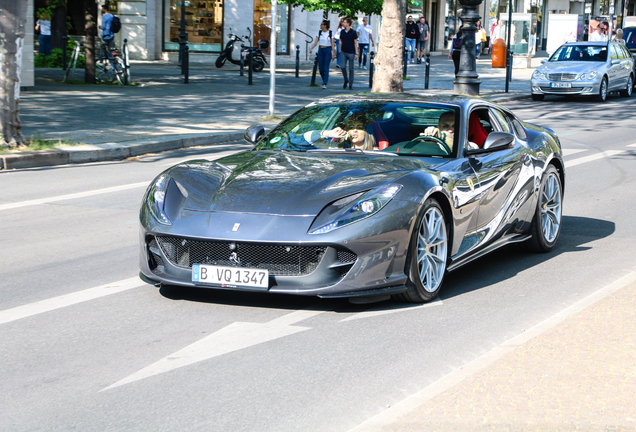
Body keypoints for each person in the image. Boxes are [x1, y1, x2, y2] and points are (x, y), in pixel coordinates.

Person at [304, 124, 377, 150]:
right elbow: (307, 137)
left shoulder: (377, 152)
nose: (354, 130)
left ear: (367, 133)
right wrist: (328, 133)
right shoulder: (337, 148)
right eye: (351, 127)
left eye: (360, 128)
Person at [309, 20, 336, 89]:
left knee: (325, 68)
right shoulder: (319, 32)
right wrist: (311, 48)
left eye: (322, 24)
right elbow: (316, 42)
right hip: (320, 50)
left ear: (325, 26)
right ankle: (324, 79)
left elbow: (332, 44)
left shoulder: (330, 33)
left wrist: (333, 53)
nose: (320, 25)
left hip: (327, 50)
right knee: (321, 68)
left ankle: (325, 83)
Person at [339, 18, 359, 90]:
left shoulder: (353, 32)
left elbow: (355, 43)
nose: (343, 23)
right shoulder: (342, 32)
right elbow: (340, 40)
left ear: (348, 24)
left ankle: (351, 84)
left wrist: (356, 53)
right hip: (343, 51)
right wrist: (340, 49)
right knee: (343, 67)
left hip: (351, 52)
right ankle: (346, 79)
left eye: (344, 22)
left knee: (351, 69)